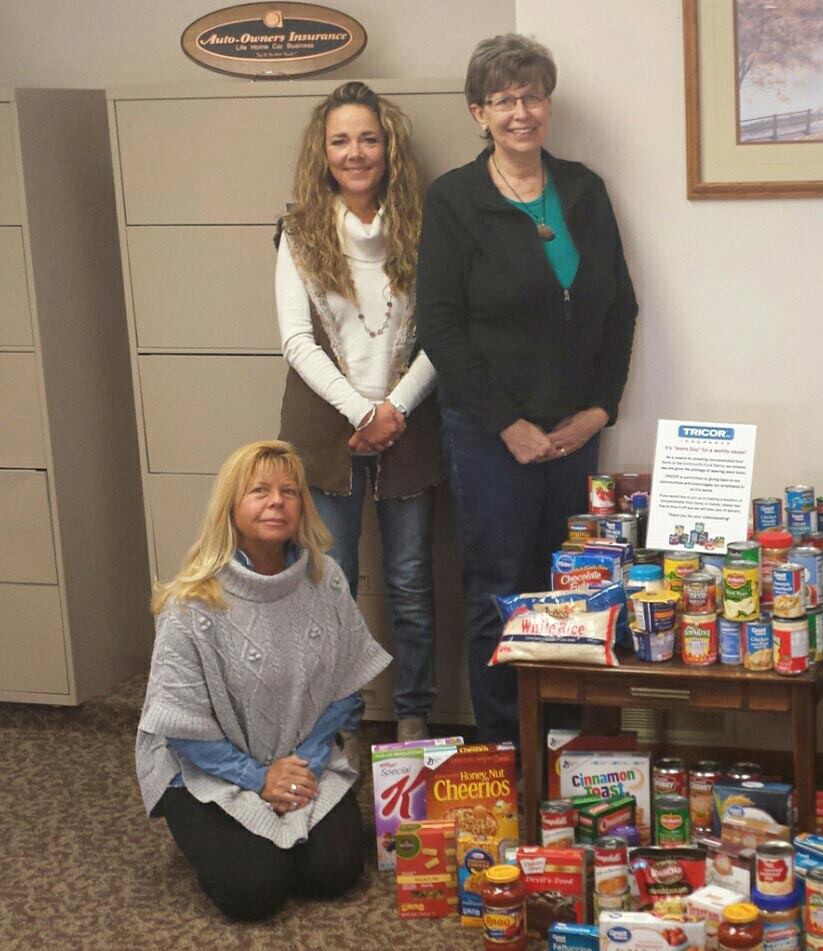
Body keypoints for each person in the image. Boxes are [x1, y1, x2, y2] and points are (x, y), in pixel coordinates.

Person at [418, 34, 638, 743]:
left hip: (575, 433)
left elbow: (620, 308)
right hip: (490, 438)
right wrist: (509, 424)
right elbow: (441, 327)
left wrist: (599, 411)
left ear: (549, 103)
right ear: (478, 112)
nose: (522, 111)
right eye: (505, 99)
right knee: (499, 590)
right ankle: (508, 746)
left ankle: (568, 744)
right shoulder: (454, 199)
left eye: (533, 95)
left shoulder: (583, 189)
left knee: (572, 589)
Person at [136, 441, 390, 921]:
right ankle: (227, 840)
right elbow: (179, 725)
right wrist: (257, 776)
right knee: (255, 893)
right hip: (204, 769)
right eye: (259, 491)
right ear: (230, 507)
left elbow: (345, 689)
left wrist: (303, 766)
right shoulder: (192, 599)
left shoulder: (325, 578)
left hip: (299, 759)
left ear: (302, 506)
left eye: (288, 491)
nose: (277, 501)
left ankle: (266, 837)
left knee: (336, 873)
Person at [276, 81, 441, 742]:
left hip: (413, 425)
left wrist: (394, 407)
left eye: (368, 138)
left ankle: (413, 715)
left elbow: (445, 334)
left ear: (389, 147)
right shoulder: (298, 232)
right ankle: (337, 724)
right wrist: (360, 412)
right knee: (331, 588)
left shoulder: (430, 228)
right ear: (323, 151)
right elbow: (295, 340)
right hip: (325, 433)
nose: (355, 152)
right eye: (341, 140)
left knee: (410, 585)